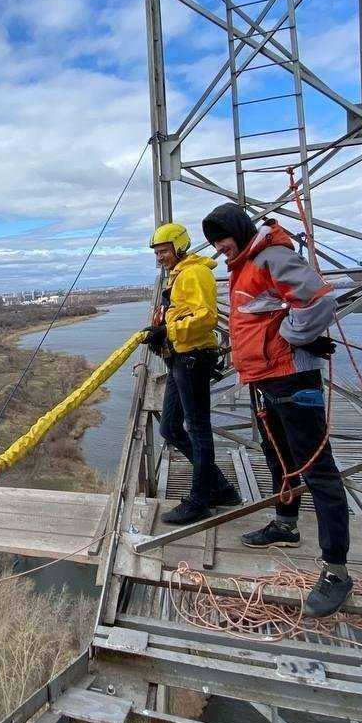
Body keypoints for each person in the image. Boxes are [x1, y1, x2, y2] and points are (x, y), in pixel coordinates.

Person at [199, 203, 352, 617]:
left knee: (318, 470)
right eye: (214, 243)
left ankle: (336, 570)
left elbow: (319, 300)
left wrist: (292, 337)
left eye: (222, 240)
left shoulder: (272, 257)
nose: (219, 249)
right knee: (278, 457)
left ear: (237, 230)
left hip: (290, 379)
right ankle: (285, 525)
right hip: (264, 379)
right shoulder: (245, 264)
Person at [143, 223, 240, 526]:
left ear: (179, 247)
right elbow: (181, 314)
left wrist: (167, 331)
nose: (159, 258)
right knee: (170, 429)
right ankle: (220, 488)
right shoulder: (177, 274)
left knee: (198, 429)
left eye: (163, 251)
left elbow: (206, 316)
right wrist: (163, 334)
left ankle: (200, 500)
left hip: (193, 358)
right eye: (157, 253)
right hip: (179, 358)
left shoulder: (194, 273)